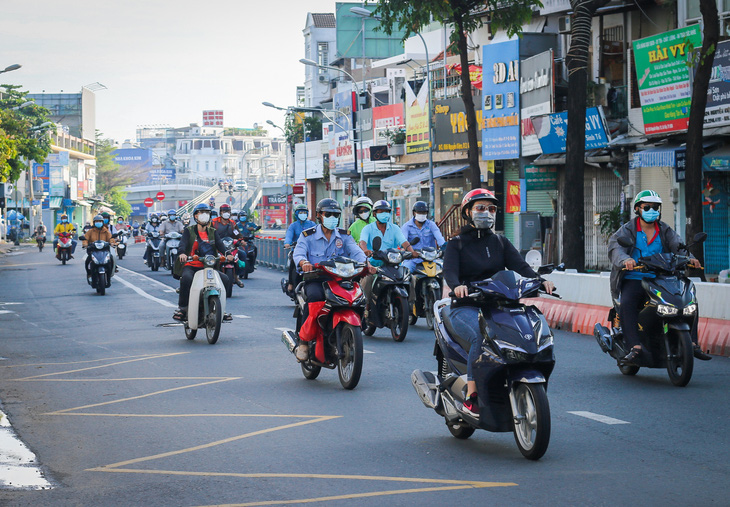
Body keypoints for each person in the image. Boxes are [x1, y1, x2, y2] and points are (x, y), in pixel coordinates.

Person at [443, 189, 554, 416]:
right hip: (465, 306)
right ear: (467, 212)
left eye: (491, 209)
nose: (486, 213)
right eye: (480, 208)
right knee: (480, 335)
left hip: (497, 306)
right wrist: (458, 287)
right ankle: (471, 396)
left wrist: (540, 281)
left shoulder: (501, 242)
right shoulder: (457, 244)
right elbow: (450, 273)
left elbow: (521, 267)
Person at [608, 190, 711, 363]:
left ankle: (692, 343)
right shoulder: (627, 230)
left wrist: (691, 259)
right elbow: (615, 248)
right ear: (637, 209)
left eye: (655, 207)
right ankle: (635, 346)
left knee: (689, 299)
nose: (652, 210)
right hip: (635, 277)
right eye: (647, 207)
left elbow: (678, 247)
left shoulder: (665, 230)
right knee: (627, 302)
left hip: (662, 277)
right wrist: (626, 260)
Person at [292, 198, 369, 361]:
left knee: (359, 296)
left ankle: (356, 327)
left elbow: (356, 251)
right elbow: (299, 252)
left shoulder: (344, 235)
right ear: (319, 215)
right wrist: (304, 262)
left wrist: (365, 263)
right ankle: (304, 342)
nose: (332, 217)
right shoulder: (308, 235)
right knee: (315, 298)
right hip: (317, 279)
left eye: (336, 214)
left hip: (340, 280)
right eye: (328, 214)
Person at [173, 203, 234, 322]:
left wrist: (228, 254)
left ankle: (221, 309)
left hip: (208, 267)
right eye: (201, 213)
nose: (204, 215)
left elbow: (221, 246)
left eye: (207, 213)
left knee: (225, 279)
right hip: (191, 266)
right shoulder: (189, 230)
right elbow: (183, 245)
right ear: (195, 216)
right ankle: (183, 308)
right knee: (186, 279)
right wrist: (182, 254)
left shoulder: (212, 231)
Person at [359, 200, 419, 306]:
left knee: (411, 278)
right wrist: (365, 250)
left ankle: (410, 304)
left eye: (386, 211)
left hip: (392, 265)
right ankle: (365, 306)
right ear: (374, 214)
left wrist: (412, 252)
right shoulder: (368, 228)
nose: (384, 214)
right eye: (381, 211)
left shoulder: (394, 228)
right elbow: (362, 242)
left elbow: (404, 242)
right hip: (374, 266)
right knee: (367, 280)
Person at [400, 201, 446, 272]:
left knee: (444, 270)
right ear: (414, 213)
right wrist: (410, 252)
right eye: (419, 212)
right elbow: (403, 242)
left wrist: (444, 247)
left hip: (431, 259)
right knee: (405, 271)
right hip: (413, 259)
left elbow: (440, 240)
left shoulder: (432, 225)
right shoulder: (407, 226)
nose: (422, 214)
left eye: (424, 212)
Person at [284, 204, 316, 294]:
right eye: (300, 212)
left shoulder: (312, 224)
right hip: (297, 250)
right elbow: (289, 236)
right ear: (297, 214)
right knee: (293, 263)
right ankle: (291, 283)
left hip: (311, 251)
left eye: (304, 212)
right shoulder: (293, 226)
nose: (303, 214)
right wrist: (287, 243)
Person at [211, 204, 244, 287]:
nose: (226, 213)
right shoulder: (214, 222)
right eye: (224, 211)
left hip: (231, 247)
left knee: (242, 254)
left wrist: (241, 240)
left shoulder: (232, 223)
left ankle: (236, 277)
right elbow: (208, 233)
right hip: (217, 247)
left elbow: (238, 234)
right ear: (220, 212)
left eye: (228, 211)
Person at [82, 214, 116, 284]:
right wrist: (85, 244)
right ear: (94, 223)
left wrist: (112, 243)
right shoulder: (90, 231)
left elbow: (110, 238)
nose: (98, 223)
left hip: (104, 250)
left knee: (111, 259)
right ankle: (89, 274)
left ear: (102, 222)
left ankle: (109, 275)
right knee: (87, 261)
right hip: (93, 250)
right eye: (97, 221)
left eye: (100, 221)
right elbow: (85, 239)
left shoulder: (106, 231)